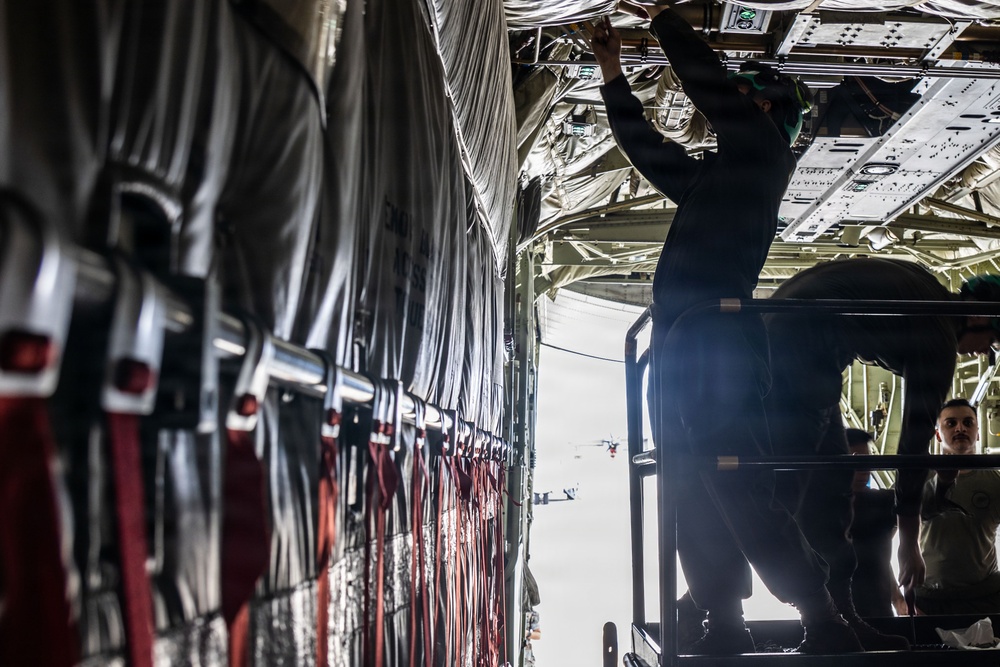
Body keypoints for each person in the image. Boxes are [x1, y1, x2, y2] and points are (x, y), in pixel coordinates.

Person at [590, 5, 863, 656]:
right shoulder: (719, 179)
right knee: (690, 490)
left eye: (743, 96)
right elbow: (648, 150)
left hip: (717, 346)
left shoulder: (765, 154)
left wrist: (664, 20)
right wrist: (610, 74)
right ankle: (723, 620)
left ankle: (822, 615)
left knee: (737, 487)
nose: (731, 101)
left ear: (763, 111)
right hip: (684, 346)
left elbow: (710, 86)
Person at [765, 259, 1000, 647]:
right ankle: (726, 607)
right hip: (797, 348)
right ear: (976, 315)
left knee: (828, 484)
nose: (981, 354)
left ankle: (836, 618)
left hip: (792, 336)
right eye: (991, 342)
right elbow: (912, 443)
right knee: (790, 493)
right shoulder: (939, 333)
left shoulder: (927, 291)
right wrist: (908, 545)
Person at [915, 398, 1000, 615]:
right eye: (951, 423)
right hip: (929, 599)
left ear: (978, 432)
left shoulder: (994, 481)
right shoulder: (918, 479)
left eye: (968, 423)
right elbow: (886, 537)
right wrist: (898, 598)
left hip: (984, 596)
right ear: (938, 434)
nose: (960, 428)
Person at [845, 429, 906, 618]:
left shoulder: (883, 502)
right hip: (838, 617)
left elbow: (879, 560)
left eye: (867, 460)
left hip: (879, 613)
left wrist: (897, 599)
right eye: (856, 460)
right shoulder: (818, 509)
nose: (864, 468)